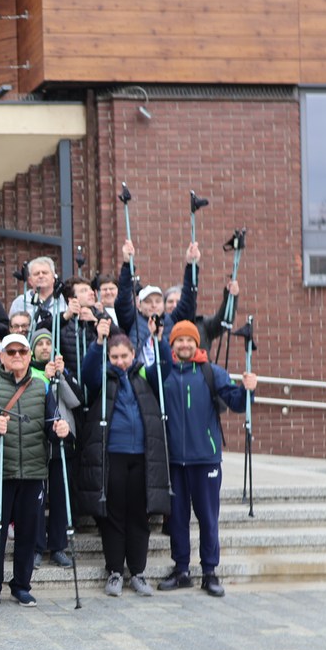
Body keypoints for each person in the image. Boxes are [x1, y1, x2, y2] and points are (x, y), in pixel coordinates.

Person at [0, 333, 71, 608]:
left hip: (34, 470)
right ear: (1, 356)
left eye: (22, 352)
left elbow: (50, 422)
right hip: (0, 470)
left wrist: (60, 429)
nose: (17, 357)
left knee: (28, 531)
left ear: (29, 356)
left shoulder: (41, 386)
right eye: (10, 352)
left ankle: (22, 585)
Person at [158, 320, 256, 597]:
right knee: (177, 519)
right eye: (179, 341)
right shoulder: (166, 374)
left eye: (190, 340)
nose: (185, 344)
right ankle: (181, 570)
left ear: (197, 343)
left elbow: (237, 403)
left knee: (208, 518)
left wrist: (247, 388)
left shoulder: (212, 372)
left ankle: (210, 572)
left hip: (206, 459)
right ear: (173, 345)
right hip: (174, 460)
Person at [78, 320, 170, 597]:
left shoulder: (145, 376)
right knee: (114, 515)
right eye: (114, 357)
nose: (119, 361)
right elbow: (87, 374)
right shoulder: (103, 378)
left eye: (124, 356)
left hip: (142, 456)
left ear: (133, 356)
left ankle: (138, 573)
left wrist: (159, 339)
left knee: (139, 515)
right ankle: (115, 571)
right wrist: (98, 343)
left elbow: (164, 366)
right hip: (113, 454)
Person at [29, 329, 82, 570]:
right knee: (37, 499)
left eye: (49, 343)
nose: (45, 347)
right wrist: (44, 378)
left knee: (61, 497)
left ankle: (58, 546)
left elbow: (75, 401)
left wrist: (60, 377)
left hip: (62, 440)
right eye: (40, 343)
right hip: (37, 442)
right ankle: (37, 546)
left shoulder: (62, 372)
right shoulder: (29, 373)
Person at [115, 238, 199, 367]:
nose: (154, 305)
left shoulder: (172, 320)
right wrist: (127, 264)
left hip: (168, 374)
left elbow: (188, 299)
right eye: (148, 302)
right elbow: (123, 302)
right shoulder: (133, 320)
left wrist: (191, 265)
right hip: (140, 377)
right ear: (139, 305)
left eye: (158, 301)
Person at [8, 256, 67, 329]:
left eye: (45, 273)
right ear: (30, 280)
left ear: (53, 278)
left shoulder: (64, 299)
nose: (41, 276)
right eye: (36, 274)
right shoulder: (20, 302)